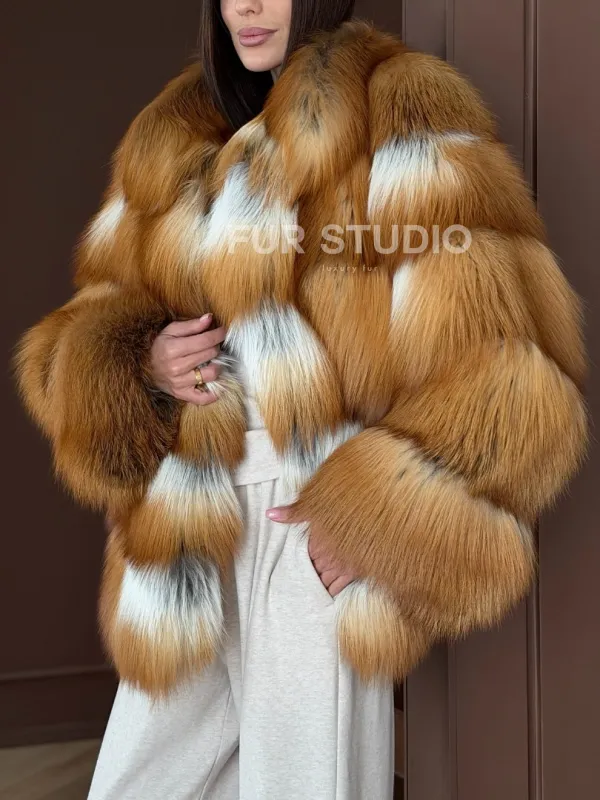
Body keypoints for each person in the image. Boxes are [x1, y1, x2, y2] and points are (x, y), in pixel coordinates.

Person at [14, 0, 587, 797]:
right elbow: (80, 329)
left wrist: (383, 521)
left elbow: (503, 364)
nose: (247, 6)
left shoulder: (401, 109)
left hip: (310, 512)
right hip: (183, 525)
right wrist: (138, 361)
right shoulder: (170, 138)